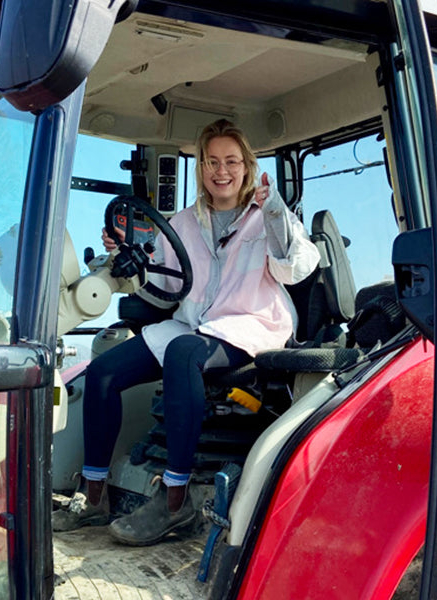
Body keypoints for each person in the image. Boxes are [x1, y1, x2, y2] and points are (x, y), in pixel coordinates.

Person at [53, 119, 320, 545]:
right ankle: (95, 493)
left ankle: (176, 501)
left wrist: (274, 213)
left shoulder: (269, 217)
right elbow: (164, 292)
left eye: (231, 161)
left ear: (247, 166)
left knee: (182, 354)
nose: (222, 170)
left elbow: (296, 268)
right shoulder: (181, 222)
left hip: (250, 324)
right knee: (103, 371)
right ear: (201, 168)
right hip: (196, 322)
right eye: (212, 161)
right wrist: (128, 253)